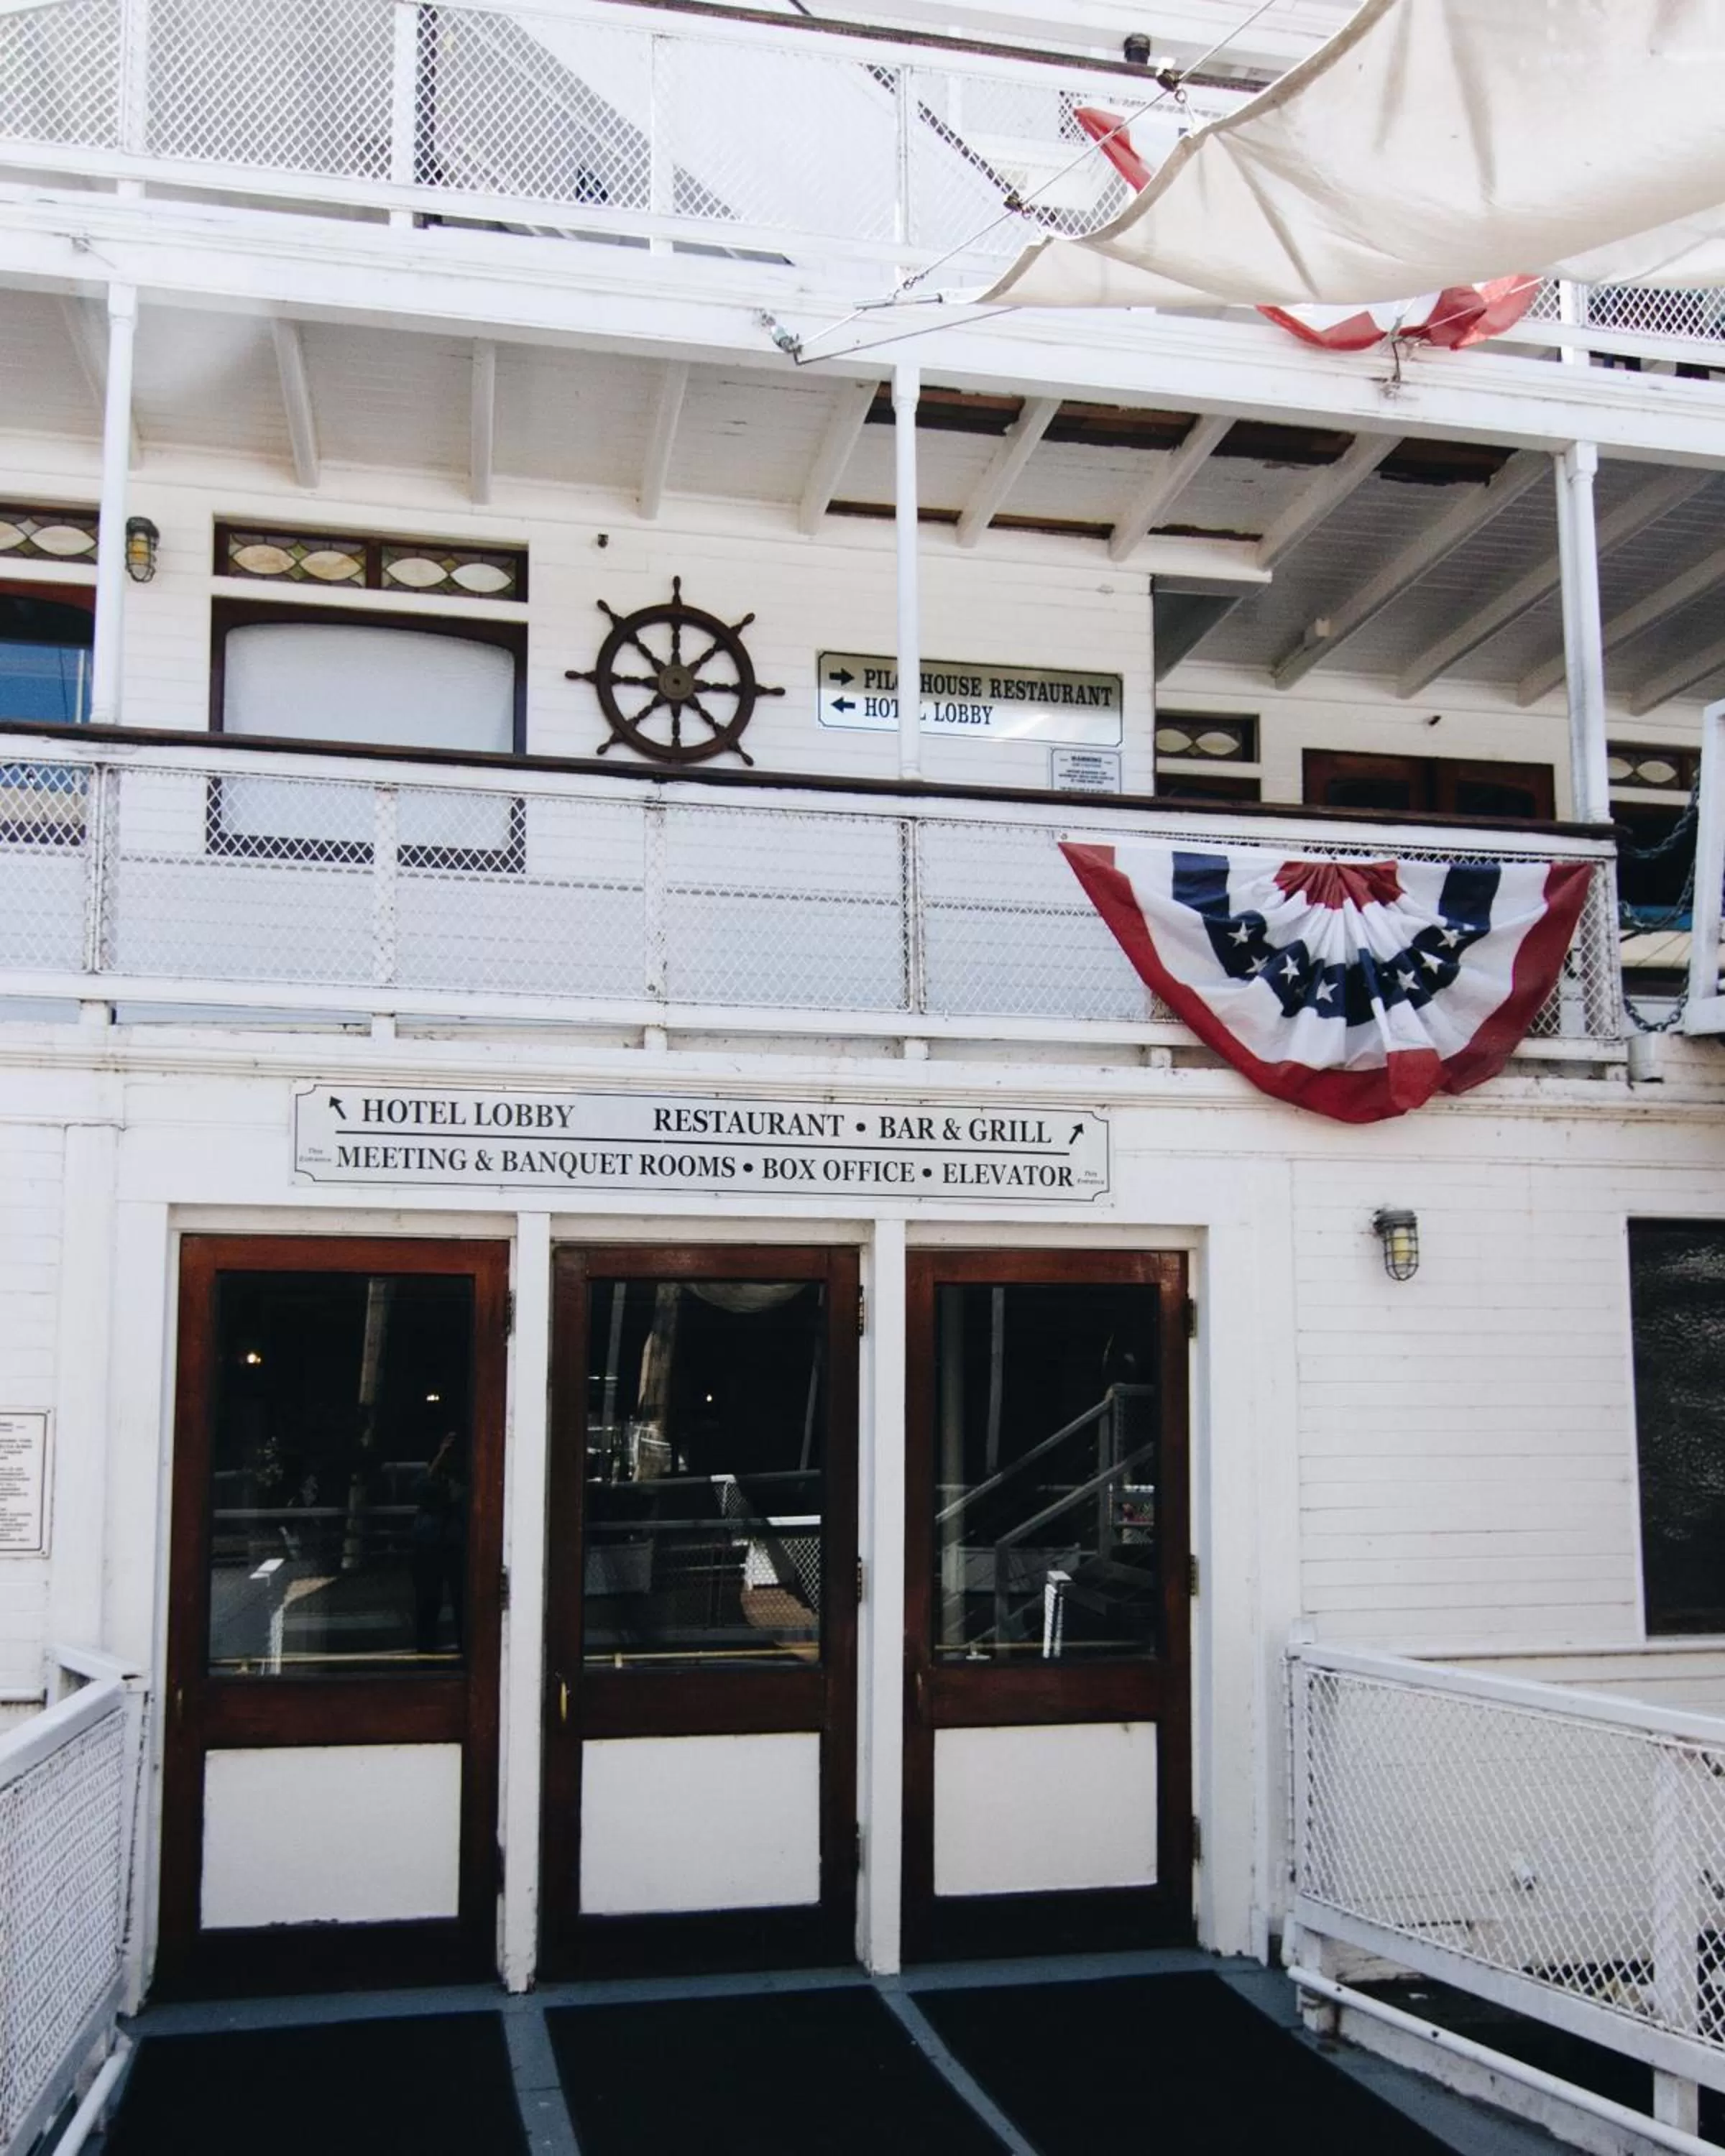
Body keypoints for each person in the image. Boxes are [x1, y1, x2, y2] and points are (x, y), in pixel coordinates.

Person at [410, 1434, 466, 1657]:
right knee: (427, 1602)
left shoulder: (464, 1479)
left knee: (462, 1602)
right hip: (429, 1544)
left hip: (455, 1544)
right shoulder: (431, 1478)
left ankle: (464, 1648)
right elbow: (417, 1491)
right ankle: (425, 1651)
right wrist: (439, 1459)